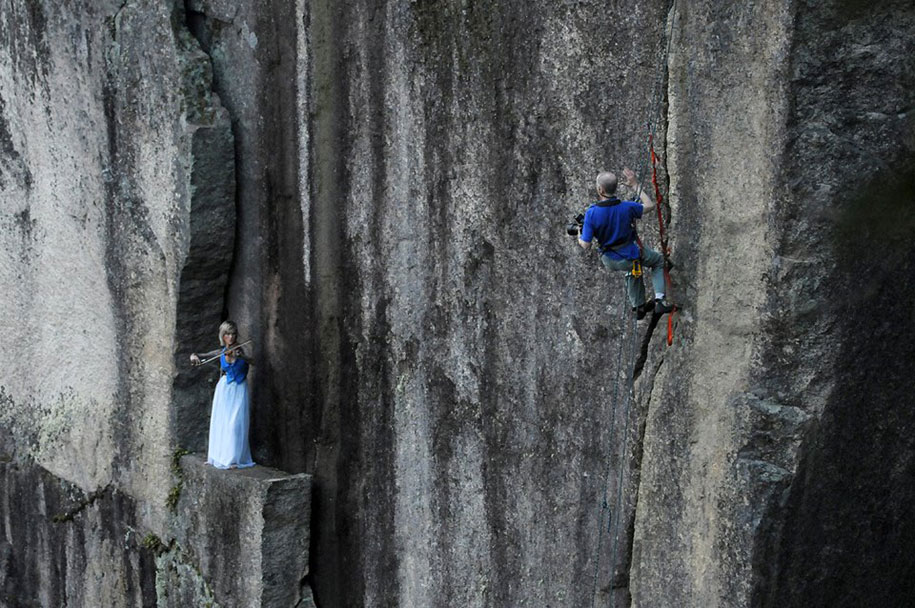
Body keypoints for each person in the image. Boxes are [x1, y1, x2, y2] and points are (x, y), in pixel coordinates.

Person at [577, 168, 673, 319]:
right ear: (615, 188)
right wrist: (635, 184)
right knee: (657, 261)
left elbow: (586, 244)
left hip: (610, 260)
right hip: (630, 254)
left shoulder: (592, 213)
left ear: (600, 189)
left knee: (632, 267)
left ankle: (639, 306)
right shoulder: (627, 207)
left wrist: (579, 234)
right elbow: (649, 205)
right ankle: (659, 300)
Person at [190, 321, 255, 469]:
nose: (230, 337)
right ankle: (216, 456)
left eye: (232, 334)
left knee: (235, 424)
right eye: (227, 334)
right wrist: (194, 356)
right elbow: (202, 355)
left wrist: (242, 357)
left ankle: (233, 458)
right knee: (221, 422)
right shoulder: (221, 352)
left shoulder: (241, 350)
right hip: (224, 388)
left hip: (239, 389)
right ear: (222, 336)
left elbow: (254, 361)